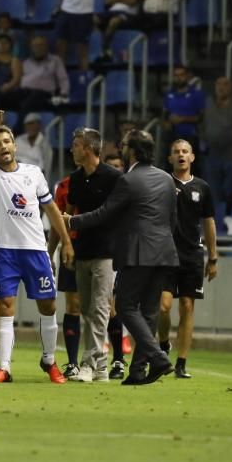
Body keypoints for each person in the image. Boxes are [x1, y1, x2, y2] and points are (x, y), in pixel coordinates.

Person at [67, 129, 177, 385]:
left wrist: (72, 221)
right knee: (149, 312)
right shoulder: (166, 179)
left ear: (134, 150)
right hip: (164, 251)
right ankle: (138, 371)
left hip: (138, 252)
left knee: (126, 308)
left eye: (125, 144)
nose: (121, 147)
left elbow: (105, 213)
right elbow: (173, 220)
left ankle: (158, 358)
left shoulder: (128, 180)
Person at [0, 110, 74, 384]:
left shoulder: (34, 173)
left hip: (36, 250)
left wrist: (65, 242)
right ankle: (5, 367)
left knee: (48, 305)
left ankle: (49, 360)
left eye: (6, 141)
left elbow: (52, 208)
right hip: (6, 251)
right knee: (5, 306)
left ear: (14, 145)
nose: (3, 147)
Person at [57, 128, 120, 382]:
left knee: (101, 308)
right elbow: (67, 212)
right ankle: (101, 367)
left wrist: (74, 222)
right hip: (82, 251)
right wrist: (66, 244)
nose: (71, 149)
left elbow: (109, 213)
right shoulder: (75, 178)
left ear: (90, 148)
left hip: (107, 252)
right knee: (87, 309)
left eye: (76, 145)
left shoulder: (113, 177)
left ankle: (87, 364)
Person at [157, 139, 217, 379]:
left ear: (192, 157)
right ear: (170, 158)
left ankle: (181, 363)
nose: (181, 155)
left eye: (185, 151)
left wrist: (213, 257)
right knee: (163, 307)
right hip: (165, 253)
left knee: (187, 306)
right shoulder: (163, 184)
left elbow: (209, 222)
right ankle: (163, 344)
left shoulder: (202, 188)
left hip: (192, 255)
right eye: (176, 151)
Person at [0, 35, 69, 117]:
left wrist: (63, 94)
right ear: (32, 48)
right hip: (24, 92)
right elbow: (18, 80)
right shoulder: (26, 62)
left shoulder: (55, 60)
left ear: (46, 46)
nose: (38, 48)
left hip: (44, 95)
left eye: (41, 45)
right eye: (35, 46)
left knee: (29, 102)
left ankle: (18, 129)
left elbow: (63, 79)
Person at [52, 171, 82, 377]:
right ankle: (73, 362)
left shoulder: (108, 179)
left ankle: (116, 360)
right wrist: (49, 251)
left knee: (107, 306)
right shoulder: (63, 186)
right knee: (73, 304)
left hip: (101, 248)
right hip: (72, 246)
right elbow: (57, 221)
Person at [163, 65, 205, 164]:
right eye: (176, 75)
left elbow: (201, 117)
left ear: (187, 76)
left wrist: (182, 119)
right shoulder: (169, 94)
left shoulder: (197, 94)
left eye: (181, 75)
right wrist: (166, 122)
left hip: (190, 137)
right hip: (172, 137)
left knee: (190, 169)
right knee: (171, 168)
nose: (178, 78)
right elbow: (165, 114)